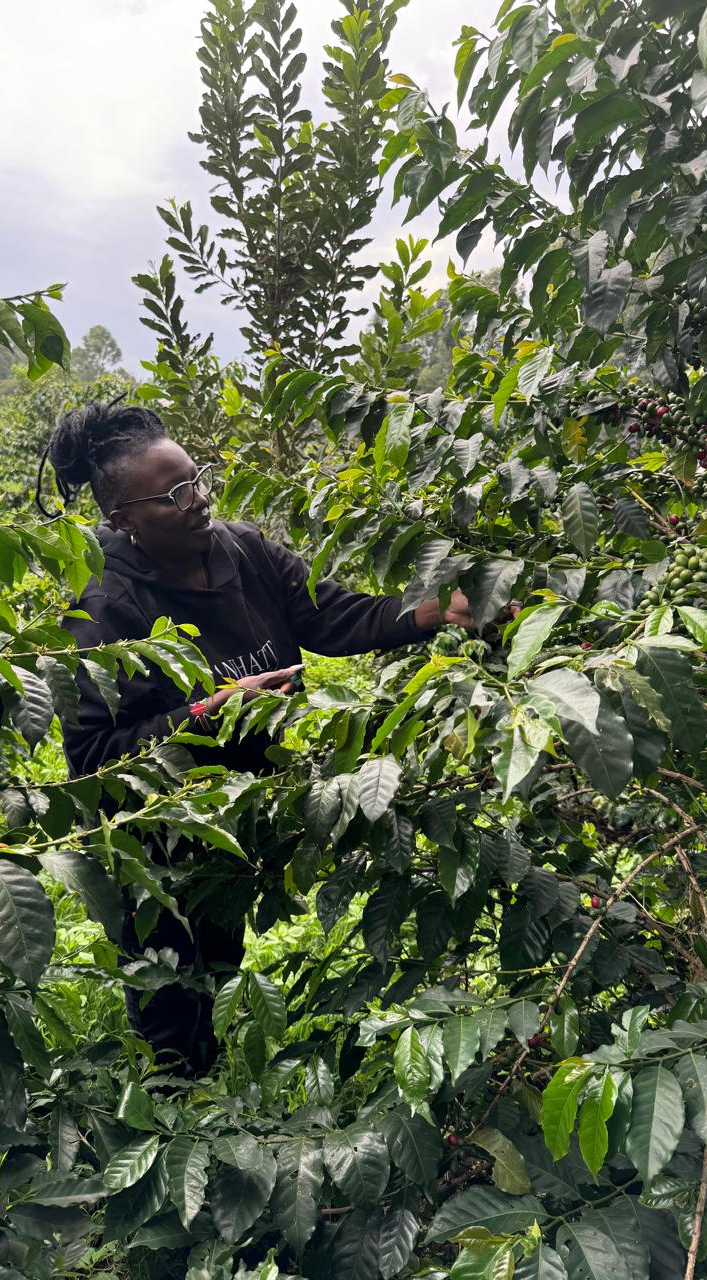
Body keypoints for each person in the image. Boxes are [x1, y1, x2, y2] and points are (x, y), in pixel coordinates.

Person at [43, 400, 476, 1073]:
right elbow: (96, 761)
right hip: (160, 842)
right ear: (124, 519)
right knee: (171, 1000)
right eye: (175, 494)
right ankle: (166, 1111)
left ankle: (210, 1093)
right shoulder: (103, 608)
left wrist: (435, 612)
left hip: (241, 819)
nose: (199, 499)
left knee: (219, 962)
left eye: (198, 479)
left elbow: (330, 616)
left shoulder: (241, 549)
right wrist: (212, 709)